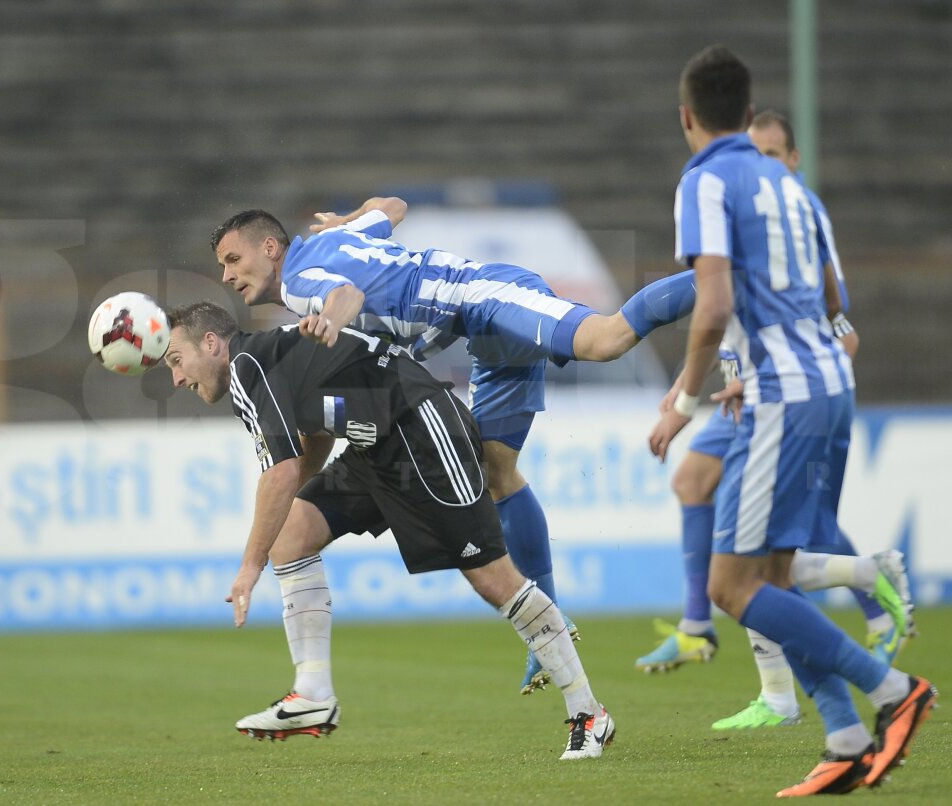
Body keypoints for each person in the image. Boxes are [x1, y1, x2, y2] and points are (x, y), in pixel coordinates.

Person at [210, 196, 697, 695]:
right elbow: (394, 206)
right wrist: (349, 219)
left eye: (233, 259)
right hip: (479, 325)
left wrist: (332, 321)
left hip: (487, 295)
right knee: (492, 474)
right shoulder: (337, 238)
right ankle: (545, 637)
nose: (227, 275)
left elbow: (347, 295)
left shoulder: (298, 279)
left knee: (607, 339)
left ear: (270, 247)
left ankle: (730, 279)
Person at [647, 45, 935, 796]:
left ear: (687, 118)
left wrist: (683, 399)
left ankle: (891, 689)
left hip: (780, 391)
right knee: (774, 575)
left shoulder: (705, 179)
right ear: (749, 117)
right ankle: (843, 738)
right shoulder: (791, 184)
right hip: (831, 384)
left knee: (731, 586)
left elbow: (711, 303)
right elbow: (835, 294)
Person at [162, 300, 615, 759]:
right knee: (291, 534)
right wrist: (284, 511)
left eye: (177, 361)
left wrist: (248, 567)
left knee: (493, 579)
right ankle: (313, 693)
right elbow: (313, 437)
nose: (177, 379)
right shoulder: (266, 357)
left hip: (422, 429)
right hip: (376, 447)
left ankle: (588, 712)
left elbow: (278, 472)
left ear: (212, 343)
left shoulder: (246, 368)